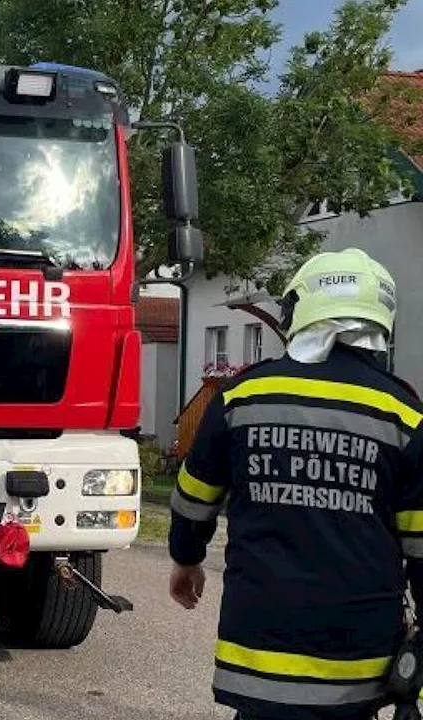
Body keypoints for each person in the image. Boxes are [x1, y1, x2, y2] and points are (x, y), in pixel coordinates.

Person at [168, 248, 423, 720]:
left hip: (257, 653)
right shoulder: (405, 416)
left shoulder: (242, 397)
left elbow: (192, 498)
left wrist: (187, 558)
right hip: (356, 667)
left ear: (297, 313)